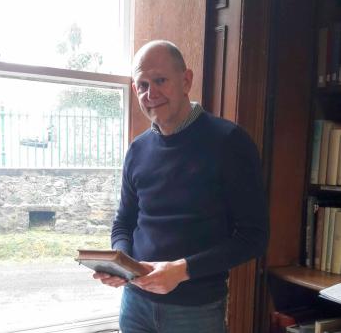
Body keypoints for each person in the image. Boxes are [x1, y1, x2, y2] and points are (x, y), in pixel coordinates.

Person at [93, 40, 269, 333]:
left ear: (186, 80)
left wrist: (183, 270)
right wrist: (121, 263)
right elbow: (123, 222)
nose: (151, 93)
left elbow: (254, 237)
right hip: (134, 305)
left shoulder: (229, 142)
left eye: (160, 80)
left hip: (196, 311)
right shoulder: (137, 149)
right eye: (143, 85)